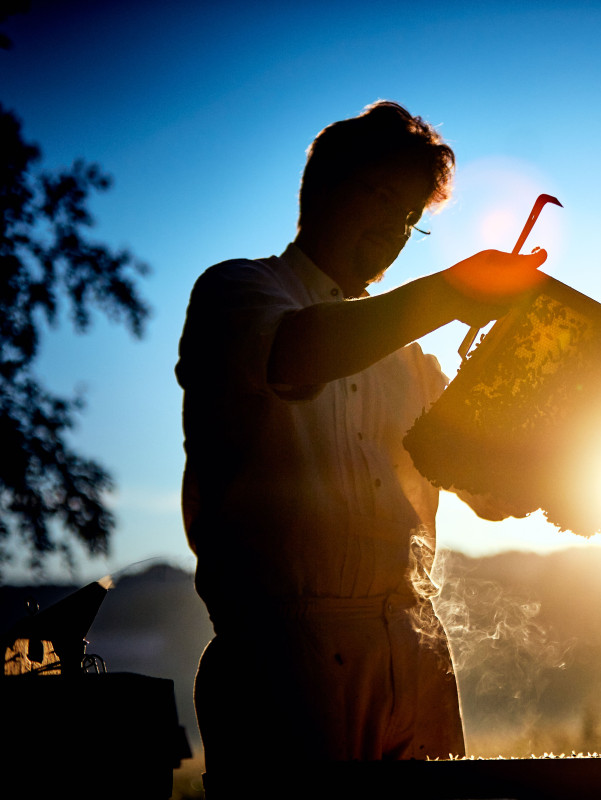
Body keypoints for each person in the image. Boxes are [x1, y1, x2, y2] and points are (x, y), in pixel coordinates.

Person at [176, 101, 547, 777]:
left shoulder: (414, 365)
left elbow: (496, 492)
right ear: (322, 187)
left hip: (415, 649)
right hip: (282, 663)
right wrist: (453, 292)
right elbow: (297, 355)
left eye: (410, 216)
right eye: (381, 197)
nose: (394, 230)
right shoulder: (239, 292)